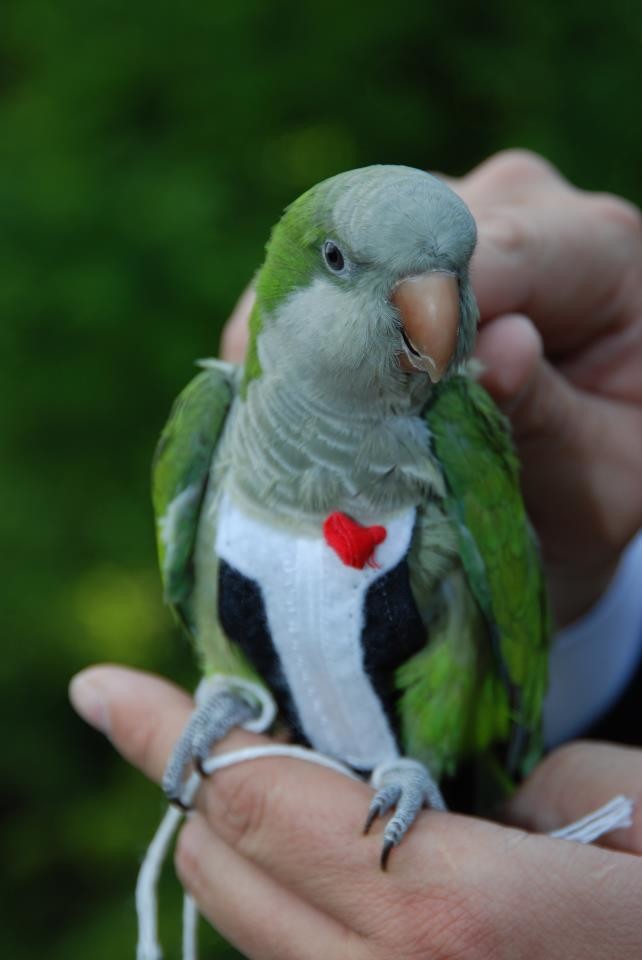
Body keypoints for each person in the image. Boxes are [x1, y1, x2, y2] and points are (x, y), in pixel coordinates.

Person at [70, 150, 642, 959]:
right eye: (341, 262)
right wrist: (227, 690)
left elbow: (498, 649)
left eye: (452, 275)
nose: (428, 303)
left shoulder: (460, 440)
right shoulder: (212, 423)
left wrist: (434, 774)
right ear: (288, 280)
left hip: (437, 770)